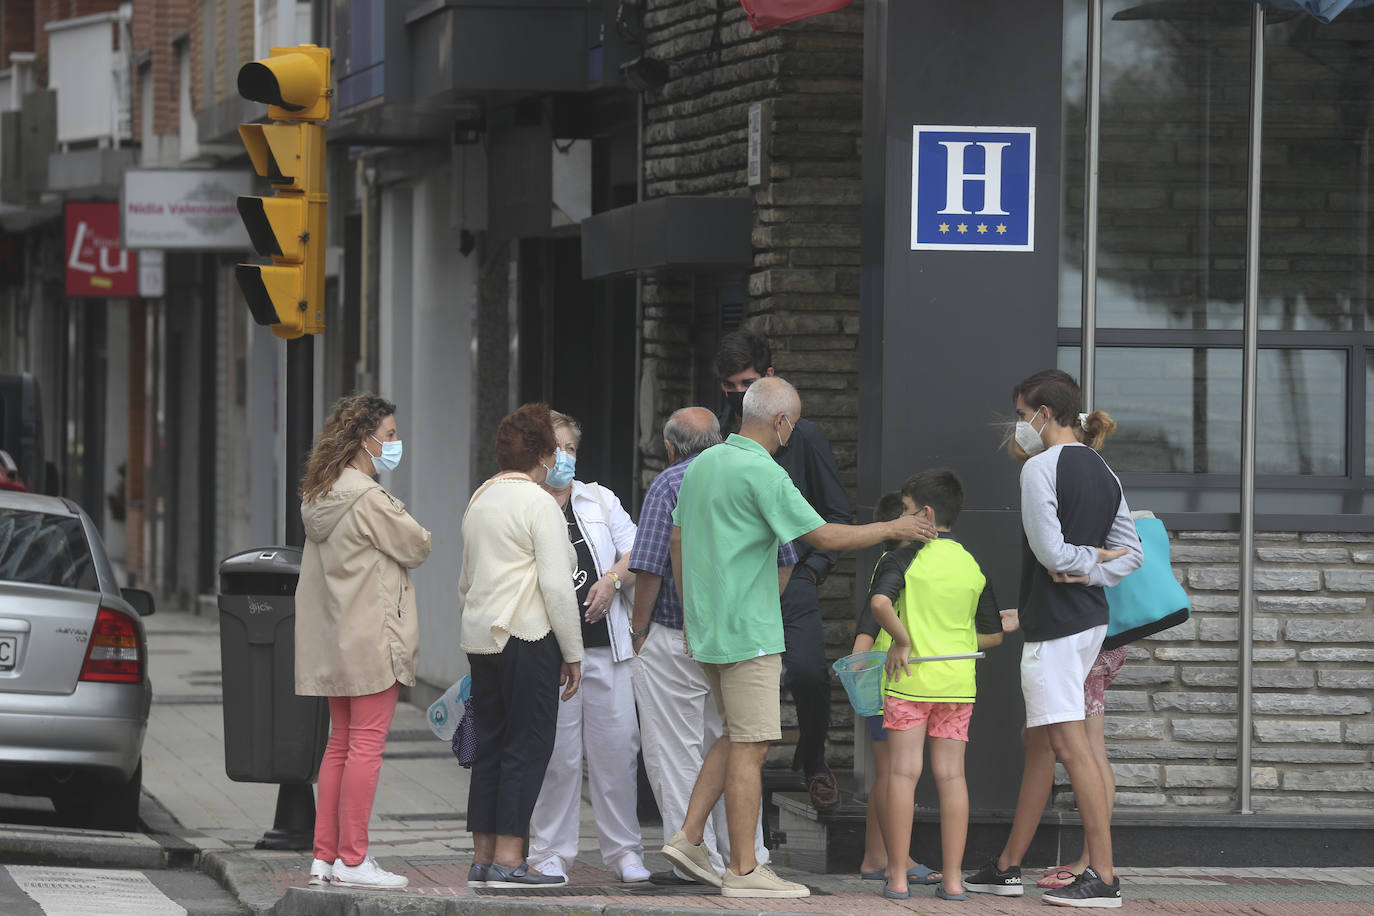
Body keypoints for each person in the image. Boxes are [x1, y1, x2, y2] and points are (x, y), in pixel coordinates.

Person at [663, 377, 936, 898]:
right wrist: (890, 529)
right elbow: (823, 536)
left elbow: (677, 538)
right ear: (783, 423)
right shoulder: (762, 471)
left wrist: (691, 616)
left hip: (709, 627)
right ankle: (744, 871)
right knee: (753, 743)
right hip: (750, 630)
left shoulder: (702, 464)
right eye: (796, 420)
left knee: (735, 732)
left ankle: (691, 836)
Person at [964, 369, 1142, 909]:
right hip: (1088, 621)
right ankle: (1006, 866)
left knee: (1068, 744)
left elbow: (1052, 553)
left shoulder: (1041, 467)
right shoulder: (1103, 469)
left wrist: (1079, 563)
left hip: (1057, 628)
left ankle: (1104, 877)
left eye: (1022, 415)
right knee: (1041, 742)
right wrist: (1094, 565)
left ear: (1043, 412)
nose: (1020, 426)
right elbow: (1130, 554)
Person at [628, 407, 779, 885]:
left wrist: (638, 629)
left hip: (676, 635)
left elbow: (650, 563)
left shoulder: (671, 483)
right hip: (737, 638)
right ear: (718, 438)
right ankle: (749, 854)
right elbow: (789, 553)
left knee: (676, 751)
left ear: (670, 448)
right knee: (739, 746)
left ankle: (697, 859)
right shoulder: (751, 471)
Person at [296, 394, 433, 890]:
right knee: (366, 747)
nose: (396, 443)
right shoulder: (368, 498)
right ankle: (354, 859)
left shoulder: (320, 494)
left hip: (337, 639)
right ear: (363, 440)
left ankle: (325, 857)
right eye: (390, 435)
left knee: (340, 744)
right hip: (374, 637)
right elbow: (417, 544)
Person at [715, 331, 852, 810]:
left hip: (793, 580)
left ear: (768, 378)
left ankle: (813, 760)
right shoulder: (719, 439)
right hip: (737, 585)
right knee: (737, 691)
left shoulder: (803, 435)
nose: (736, 391)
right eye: (729, 384)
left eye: (746, 381)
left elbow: (836, 511)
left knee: (811, 673)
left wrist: (813, 570)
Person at [459, 403, 583, 889]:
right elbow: (556, 587)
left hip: (481, 639)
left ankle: (482, 857)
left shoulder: (481, 497)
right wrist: (573, 653)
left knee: (490, 745)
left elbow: (466, 580)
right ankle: (511, 860)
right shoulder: (539, 503)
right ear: (545, 454)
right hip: (529, 636)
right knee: (528, 745)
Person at [868, 470, 1004, 901]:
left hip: (908, 682)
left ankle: (897, 879)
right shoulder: (971, 565)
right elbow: (994, 634)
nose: (902, 521)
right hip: (957, 684)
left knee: (903, 774)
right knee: (952, 777)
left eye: (906, 512)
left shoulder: (903, 559)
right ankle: (951, 882)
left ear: (924, 513)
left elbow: (879, 604)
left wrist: (903, 640)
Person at [527, 411, 650, 883]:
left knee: (618, 751)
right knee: (557, 757)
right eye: (555, 449)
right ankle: (551, 852)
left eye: (571, 449)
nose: (565, 458)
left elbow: (639, 547)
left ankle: (624, 853)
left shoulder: (598, 498)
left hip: (606, 648)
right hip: (551, 652)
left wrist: (613, 580)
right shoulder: (525, 501)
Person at [853, 490, 935, 887]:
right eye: (913, 513)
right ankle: (896, 859)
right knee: (890, 774)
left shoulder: (891, 561)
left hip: (881, 678)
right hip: (889, 680)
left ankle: (876, 857)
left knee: (885, 773)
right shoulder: (896, 561)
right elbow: (871, 619)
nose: (922, 517)